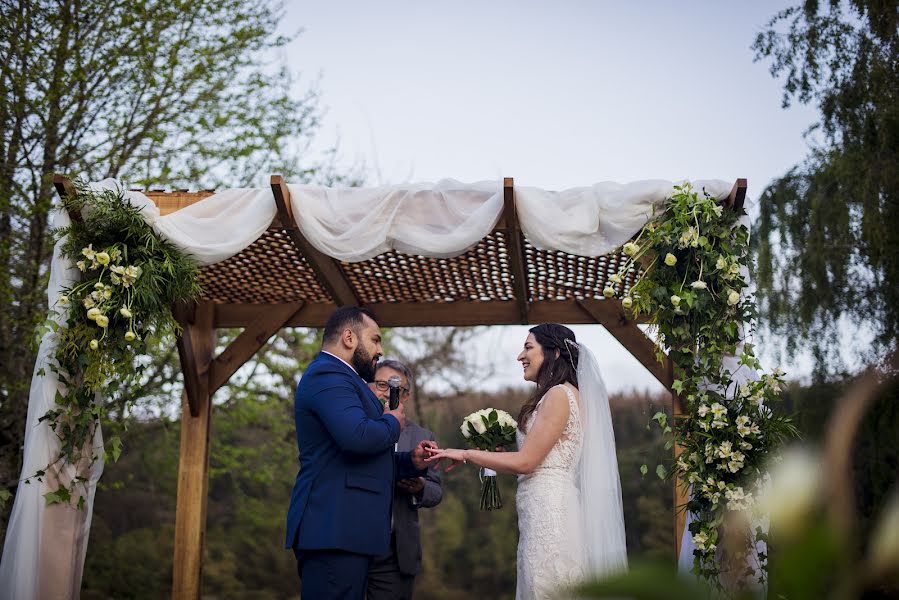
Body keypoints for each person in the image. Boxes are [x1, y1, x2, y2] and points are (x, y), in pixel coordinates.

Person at [426, 324, 628, 599]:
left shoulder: (559, 395)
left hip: (551, 514)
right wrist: (493, 455)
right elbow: (535, 462)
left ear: (554, 353)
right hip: (539, 510)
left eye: (528, 347)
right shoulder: (557, 394)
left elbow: (527, 462)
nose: (520, 356)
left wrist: (466, 454)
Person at [285, 307, 435, 599]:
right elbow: (357, 437)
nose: (380, 350)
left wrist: (409, 462)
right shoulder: (329, 376)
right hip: (333, 530)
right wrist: (393, 421)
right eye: (375, 340)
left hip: (348, 533)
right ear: (349, 337)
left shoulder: (344, 379)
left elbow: (360, 458)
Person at [366, 359, 443, 600]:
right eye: (382, 384)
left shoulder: (422, 435)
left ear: (407, 395)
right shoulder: (355, 426)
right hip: (353, 544)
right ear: (368, 386)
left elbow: (436, 492)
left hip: (396, 552)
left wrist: (420, 488)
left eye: (398, 388)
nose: (390, 392)